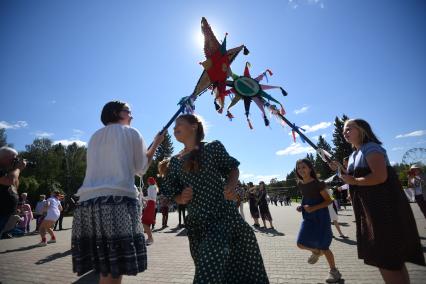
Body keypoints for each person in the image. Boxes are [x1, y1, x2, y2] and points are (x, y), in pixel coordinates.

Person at [162, 114, 269, 283]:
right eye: (174, 126)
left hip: (225, 218)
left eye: (179, 124)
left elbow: (232, 168)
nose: (174, 128)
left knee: (240, 268)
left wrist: (231, 185)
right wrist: (181, 198)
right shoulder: (175, 162)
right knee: (211, 271)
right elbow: (169, 192)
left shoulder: (213, 147)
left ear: (194, 126)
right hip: (198, 225)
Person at [71, 101, 164, 284]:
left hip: (88, 204)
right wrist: (156, 144)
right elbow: (142, 168)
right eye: (128, 111)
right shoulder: (131, 132)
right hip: (117, 201)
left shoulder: (95, 136)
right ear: (116, 113)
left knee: (106, 266)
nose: (132, 116)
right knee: (115, 269)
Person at [330, 118, 425, 283]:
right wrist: (340, 170)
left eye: (349, 129)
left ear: (362, 130)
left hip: (383, 210)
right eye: (344, 130)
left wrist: (352, 181)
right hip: (369, 211)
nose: (345, 132)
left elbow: (379, 177)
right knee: (390, 260)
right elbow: (354, 178)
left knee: (387, 259)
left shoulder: (371, 148)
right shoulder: (354, 155)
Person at [296, 158, 342, 283]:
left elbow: (329, 200)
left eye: (303, 167)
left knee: (324, 246)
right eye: (299, 168)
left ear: (310, 168)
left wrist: (313, 207)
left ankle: (334, 272)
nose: (301, 170)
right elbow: (306, 198)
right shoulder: (300, 184)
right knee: (300, 243)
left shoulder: (318, 183)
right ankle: (316, 252)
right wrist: (302, 206)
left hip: (321, 218)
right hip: (308, 217)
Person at [0, 146, 26, 239]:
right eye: (14, 158)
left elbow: (14, 186)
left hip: (6, 215)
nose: (16, 161)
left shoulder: (6, 171)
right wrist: (18, 168)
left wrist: (15, 169)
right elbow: (10, 181)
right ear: (5, 157)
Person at [141, 177, 158, 245]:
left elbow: (150, 197)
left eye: (148, 181)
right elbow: (152, 197)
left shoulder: (151, 187)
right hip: (152, 204)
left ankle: (150, 238)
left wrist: (142, 197)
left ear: (149, 182)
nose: (147, 183)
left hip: (150, 204)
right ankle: (150, 238)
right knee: (146, 221)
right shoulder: (154, 187)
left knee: (144, 221)